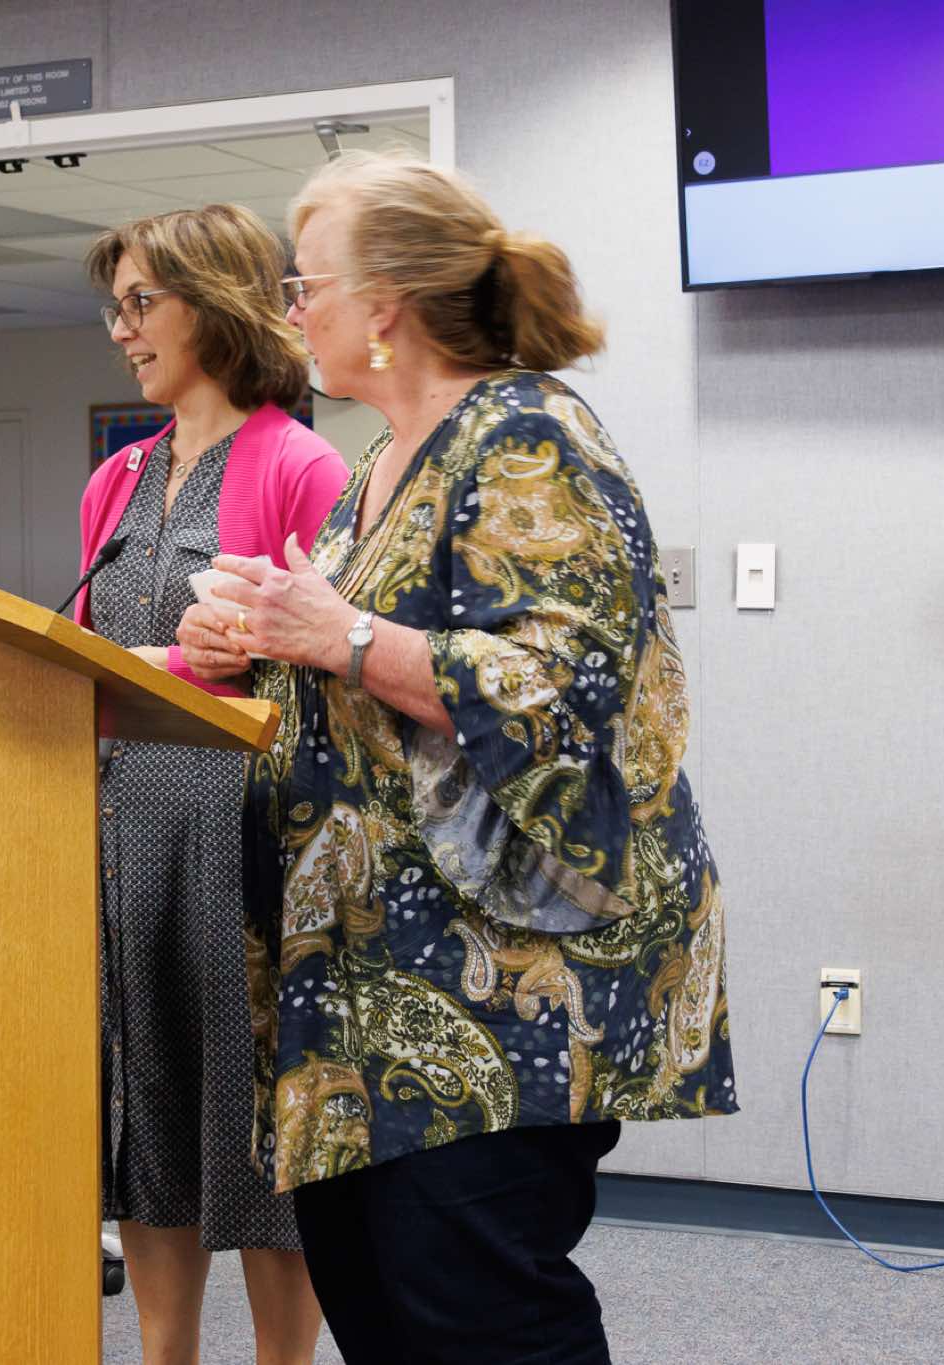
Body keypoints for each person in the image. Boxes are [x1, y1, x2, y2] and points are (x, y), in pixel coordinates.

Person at [178, 154, 737, 1363]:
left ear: (383, 304)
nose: (289, 311)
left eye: (304, 284)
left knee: (481, 1321)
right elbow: (365, 687)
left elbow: (560, 689)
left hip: (494, 977)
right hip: (358, 989)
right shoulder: (376, 468)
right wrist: (253, 644)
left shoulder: (526, 434)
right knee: (382, 1314)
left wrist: (336, 633)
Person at [76, 204, 347, 1365]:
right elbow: (91, 656)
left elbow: (328, 673)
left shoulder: (300, 464)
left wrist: (200, 665)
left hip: (244, 841)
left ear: (215, 302)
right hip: (124, 834)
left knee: (254, 1132)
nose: (121, 331)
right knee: (148, 1123)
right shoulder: (117, 477)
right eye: (115, 308)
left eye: (142, 303)